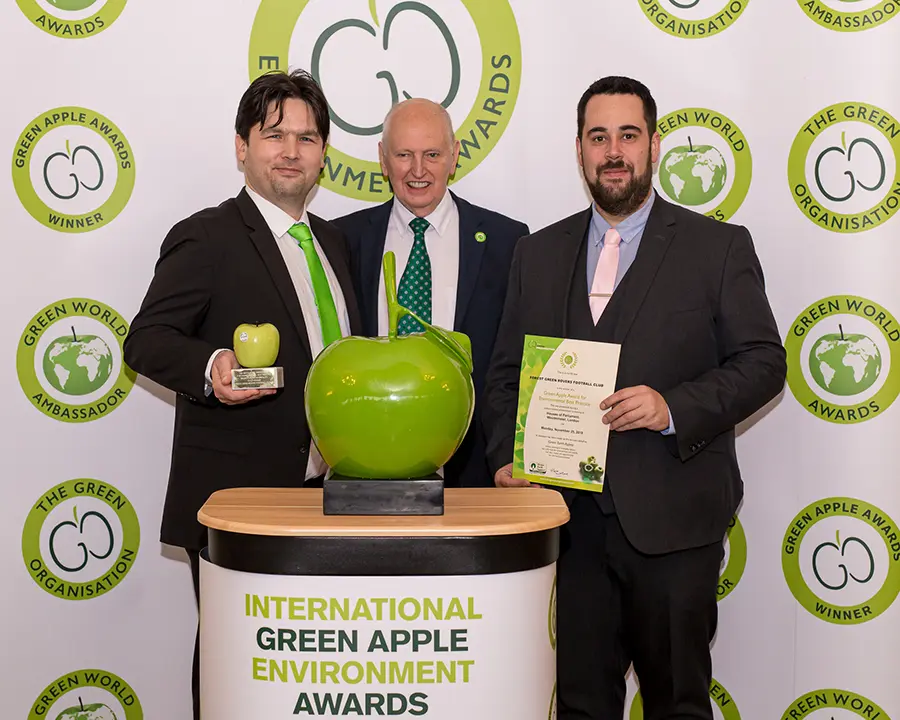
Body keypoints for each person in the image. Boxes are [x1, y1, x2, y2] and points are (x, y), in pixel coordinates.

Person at [483, 76, 786, 719]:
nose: (613, 150)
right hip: (569, 528)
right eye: (599, 137)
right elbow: (506, 373)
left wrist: (672, 408)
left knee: (678, 704)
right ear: (579, 150)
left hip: (675, 527)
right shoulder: (537, 254)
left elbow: (763, 363)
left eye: (628, 135)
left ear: (654, 145)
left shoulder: (717, 248)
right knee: (581, 706)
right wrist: (505, 457)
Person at [123, 69, 361, 719]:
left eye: (307, 138)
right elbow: (144, 341)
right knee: (238, 675)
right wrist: (213, 364)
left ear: (324, 154)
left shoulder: (336, 244)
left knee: (313, 676)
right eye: (274, 135)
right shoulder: (207, 236)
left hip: (330, 500)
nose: (291, 151)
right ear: (241, 147)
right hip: (239, 506)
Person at [332, 98, 528, 488]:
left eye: (432, 154)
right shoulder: (342, 240)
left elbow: (513, 369)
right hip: (368, 465)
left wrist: (510, 456)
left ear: (454, 156)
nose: (417, 170)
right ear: (383, 159)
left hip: (477, 472)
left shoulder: (510, 242)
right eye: (403, 154)